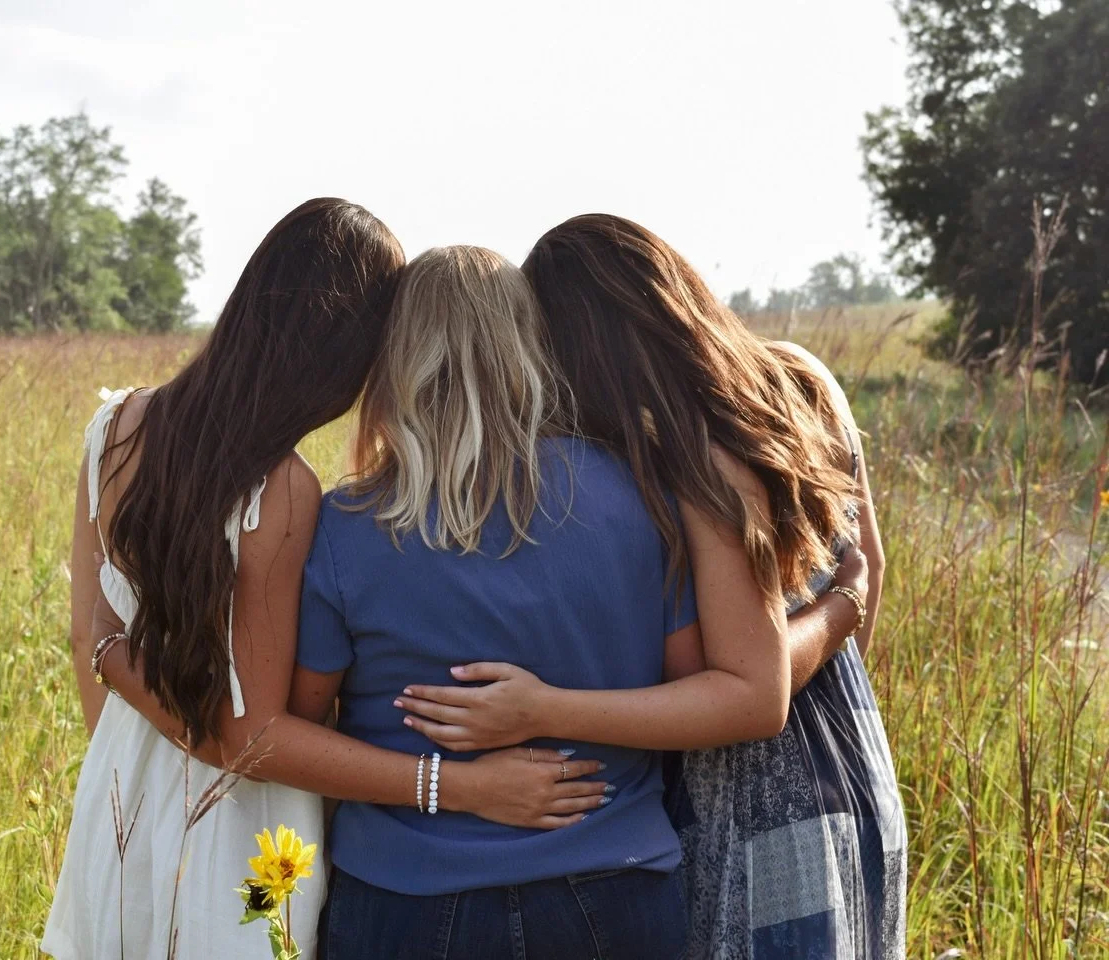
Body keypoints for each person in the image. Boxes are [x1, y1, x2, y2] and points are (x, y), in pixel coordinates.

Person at [44, 203, 604, 960]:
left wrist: (121, 716)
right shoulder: (279, 493)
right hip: (246, 829)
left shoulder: (114, 430)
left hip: (120, 787)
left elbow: (92, 636)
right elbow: (255, 735)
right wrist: (462, 787)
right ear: (341, 348)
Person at [400, 215, 906, 959]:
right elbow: (866, 575)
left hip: (739, 797)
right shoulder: (802, 380)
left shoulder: (678, 455)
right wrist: (839, 611)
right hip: (855, 764)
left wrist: (540, 707)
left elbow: (750, 691)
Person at [296, 244, 755, 960]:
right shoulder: (640, 494)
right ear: (529, 345)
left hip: (406, 898)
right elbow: (694, 693)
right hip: (613, 891)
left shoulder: (344, 525)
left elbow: (302, 727)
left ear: (396, 357)